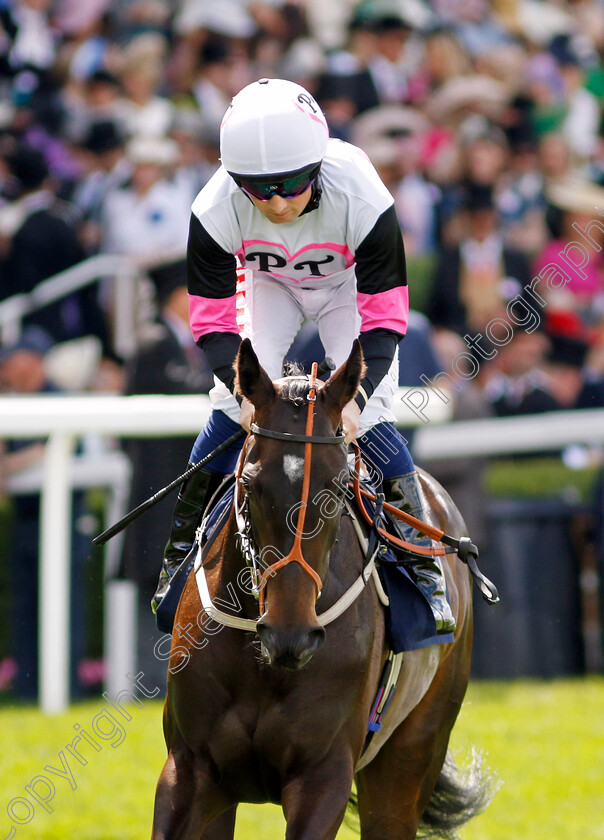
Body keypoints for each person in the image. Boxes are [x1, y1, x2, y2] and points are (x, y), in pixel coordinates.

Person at [151, 78, 455, 634]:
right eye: (256, 188)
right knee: (226, 404)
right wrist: (244, 392)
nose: (275, 201)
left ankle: (422, 572)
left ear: (315, 165)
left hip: (349, 291)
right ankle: (178, 557)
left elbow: (386, 318)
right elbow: (213, 323)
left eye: (290, 184)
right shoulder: (213, 208)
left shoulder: (363, 193)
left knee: (375, 417)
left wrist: (359, 397)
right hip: (266, 286)